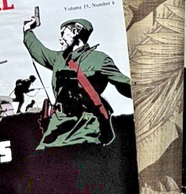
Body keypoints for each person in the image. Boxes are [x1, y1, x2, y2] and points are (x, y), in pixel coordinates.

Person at [23, 16, 133, 148]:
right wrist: (27, 30)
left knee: (80, 155)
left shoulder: (99, 59)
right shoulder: (59, 58)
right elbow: (39, 51)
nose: (60, 38)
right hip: (58, 124)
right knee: (43, 155)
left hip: (86, 125)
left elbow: (125, 85)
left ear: (75, 32)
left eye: (63, 33)